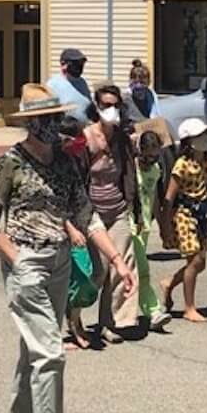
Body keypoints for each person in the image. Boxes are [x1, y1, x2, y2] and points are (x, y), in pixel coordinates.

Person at [0, 82, 137, 413]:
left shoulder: (65, 164)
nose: (52, 126)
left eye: (55, 118)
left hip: (60, 261)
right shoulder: (10, 162)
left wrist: (118, 260)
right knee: (51, 352)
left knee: (32, 350)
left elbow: (86, 215)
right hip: (26, 261)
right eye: (43, 120)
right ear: (29, 125)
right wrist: (16, 260)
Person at [76, 84, 139, 344]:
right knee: (99, 271)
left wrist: (132, 203)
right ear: (96, 107)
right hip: (93, 214)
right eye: (105, 105)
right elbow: (77, 178)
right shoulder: (86, 138)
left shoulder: (122, 139)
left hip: (118, 209)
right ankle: (74, 315)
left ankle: (109, 322)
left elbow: (129, 173)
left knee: (122, 266)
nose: (111, 110)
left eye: (115, 105)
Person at [159, 118, 207, 324]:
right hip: (184, 213)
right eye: (199, 136)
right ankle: (189, 307)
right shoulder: (182, 165)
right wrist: (165, 226)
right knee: (194, 260)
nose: (205, 139)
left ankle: (169, 283)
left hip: (201, 214)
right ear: (188, 141)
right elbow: (169, 196)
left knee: (201, 263)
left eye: (206, 135)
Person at [133, 131, 171, 330]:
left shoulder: (155, 170)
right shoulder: (131, 169)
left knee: (133, 271)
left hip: (145, 226)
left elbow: (155, 198)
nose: (150, 160)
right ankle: (153, 311)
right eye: (147, 156)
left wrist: (163, 227)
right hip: (131, 224)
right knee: (142, 270)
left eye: (155, 156)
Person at [45, 48, 93, 125]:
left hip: (84, 130)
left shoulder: (82, 82)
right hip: (65, 133)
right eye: (75, 64)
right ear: (63, 64)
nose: (79, 67)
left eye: (81, 63)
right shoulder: (53, 85)